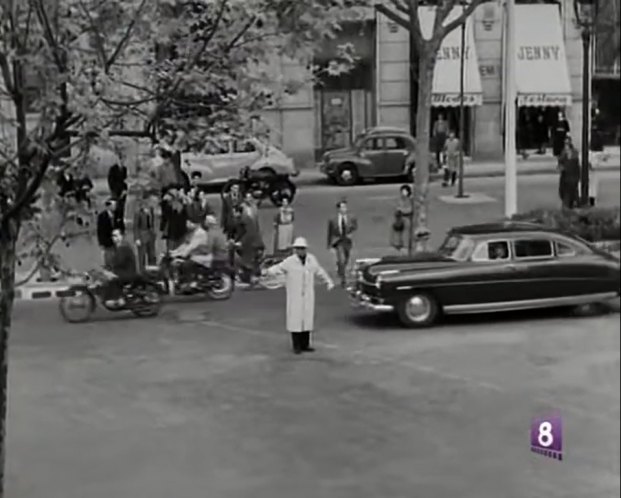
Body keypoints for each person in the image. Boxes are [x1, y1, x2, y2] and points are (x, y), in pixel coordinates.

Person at [264, 237, 334, 354]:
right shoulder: (290, 261)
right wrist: (268, 271)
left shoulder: (311, 260)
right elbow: (278, 268)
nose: (300, 251)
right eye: (298, 249)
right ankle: (296, 346)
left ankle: (305, 344)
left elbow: (319, 271)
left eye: (302, 249)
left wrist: (328, 281)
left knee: (306, 319)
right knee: (295, 320)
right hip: (295, 295)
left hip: (307, 294)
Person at [100, 228, 139, 307]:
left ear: (122, 236)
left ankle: (117, 299)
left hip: (127, 273)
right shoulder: (119, 246)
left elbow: (118, 262)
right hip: (123, 271)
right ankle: (116, 297)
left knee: (110, 278)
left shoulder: (123, 247)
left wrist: (108, 267)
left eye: (117, 236)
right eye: (114, 236)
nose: (116, 238)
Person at [327, 199, 358, 287]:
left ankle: (341, 268)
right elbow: (330, 232)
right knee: (342, 259)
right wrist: (329, 244)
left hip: (347, 240)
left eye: (345, 207)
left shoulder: (351, 217)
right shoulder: (333, 219)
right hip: (338, 241)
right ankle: (343, 278)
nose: (344, 209)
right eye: (342, 207)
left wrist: (351, 230)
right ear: (338, 209)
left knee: (347, 258)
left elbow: (355, 226)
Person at [232, 204, 264, 285]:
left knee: (248, 260)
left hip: (253, 244)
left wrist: (241, 242)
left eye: (234, 212)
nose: (233, 214)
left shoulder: (246, 220)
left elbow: (249, 233)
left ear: (239, 212)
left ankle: (252, 277)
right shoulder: (240, 220)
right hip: (249, 243)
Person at [133, 191, 157, 269]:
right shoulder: (138, 212)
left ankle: (152, 271)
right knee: (142, 256)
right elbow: (135, 226)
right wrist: (137, 238)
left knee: (152, 255)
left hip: (151, 235)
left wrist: (153, 232)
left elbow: (152, 222)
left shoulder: (151, 210)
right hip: (142, 235)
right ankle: (142, 273)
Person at [97, 199, 122, 267]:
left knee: (115, 254)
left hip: (116, 239)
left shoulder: (117, 214)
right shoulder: (102, 216)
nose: (115, 207)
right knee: (108, 254)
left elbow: (119, 225)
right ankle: (108, 267)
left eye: (115, 205)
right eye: (113, 205)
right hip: (106, 239)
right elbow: (100, 230)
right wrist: (101, 242)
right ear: (108, 206)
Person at [557, 136, 580, 209]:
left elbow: (576, 164)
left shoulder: (574, 152)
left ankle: (571, 205)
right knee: (565, 193)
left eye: (567, 143)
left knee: (572, 193)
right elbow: (560, 164)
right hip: (565, 178)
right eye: (565, 143)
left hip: (572, 177)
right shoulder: (563, 152)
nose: (566, 144)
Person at [390, 185, 413, 253]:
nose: (402, 193)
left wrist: (402, 210)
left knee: (407, 230)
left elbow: (411, 209)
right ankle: (399, 243)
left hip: (407, 218)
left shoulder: (411, 199)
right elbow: (397, 207)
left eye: (404, 191)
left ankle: (406, 245)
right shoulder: (400, 199)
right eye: (402, 191)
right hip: (400, 218)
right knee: (398, 231)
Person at [107, 159, 128, 230]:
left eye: (123, 161)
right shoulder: (113, 169)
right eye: (121, 160)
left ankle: (121, 224)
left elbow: (125, 180)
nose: (122, 162)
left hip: (123, 191)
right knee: (116, 207)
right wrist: (115, 191)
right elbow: (110, 181)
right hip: (115, 191)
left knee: (122, 208)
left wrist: (125, 190)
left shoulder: (124, 169)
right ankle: (115, 224)